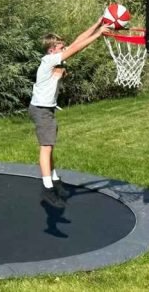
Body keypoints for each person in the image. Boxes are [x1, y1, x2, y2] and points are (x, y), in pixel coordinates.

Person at [29, 18, 109, 208]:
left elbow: (77, 41)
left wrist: (97, 23)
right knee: (46, 147)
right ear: (51, 50)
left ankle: (55, 182)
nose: (64, 49)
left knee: (50, 147)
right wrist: (99, 34)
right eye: (60, 47)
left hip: (45, 109)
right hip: (41, 110)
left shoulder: (54, 57)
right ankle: (47, 189)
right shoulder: (49, 60)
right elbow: (77, 48)